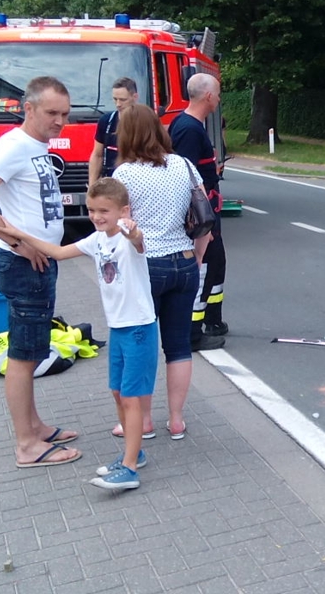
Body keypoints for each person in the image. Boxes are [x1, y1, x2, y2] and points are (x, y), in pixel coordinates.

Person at [0, 178, 156, 490]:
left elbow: (139, 241)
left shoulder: (127, 238)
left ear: (123, 210)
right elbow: (56, 251)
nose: (97, 216)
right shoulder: (96, 240)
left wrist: (132, 230)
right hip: (118, 328)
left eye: (104, 211)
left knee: (132, 398)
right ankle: (135, 453)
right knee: (117, 393)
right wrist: (18, 235)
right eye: (93, 209)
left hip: (138, 327)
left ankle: (129, 468)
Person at [0, 76, 82, 468]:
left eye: (65, 114)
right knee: (24, 356)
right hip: (24, 264)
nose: (60, 121)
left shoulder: (36, 146)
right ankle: (27, 445)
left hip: (38, 262)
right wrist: (17, 242)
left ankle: (35, 425)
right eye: (52, 113)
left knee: (31, 349)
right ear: (28, 109)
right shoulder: (13, 146)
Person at [114, 104, 209, 442]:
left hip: (145, 266)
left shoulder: (124, 174)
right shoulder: (184, 166)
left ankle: (143, 422)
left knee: (141, 343)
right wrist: (194, 260)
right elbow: (205, 223)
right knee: (179, 345)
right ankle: (177, 420)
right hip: (183, 261)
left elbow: (115, 227)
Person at [169, 73, 227, 351]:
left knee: (216, 267)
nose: (218, 98)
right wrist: (201, 226)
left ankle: (211, 321)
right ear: (207, 96)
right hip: (202, 219)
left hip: (208, 212)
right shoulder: (190, 130)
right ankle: (192, 332)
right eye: (217, 93)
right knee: (203, 270)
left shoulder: (189, 125)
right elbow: (186, 178)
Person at [88, 77, 139, 185]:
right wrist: (92, 186)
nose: (118, 104)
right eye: (115, 99)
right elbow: (97, 155)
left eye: (123, 100)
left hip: (137, 181)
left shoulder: (145, 121)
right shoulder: (106, 121)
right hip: (111, 183)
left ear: (135, 97)